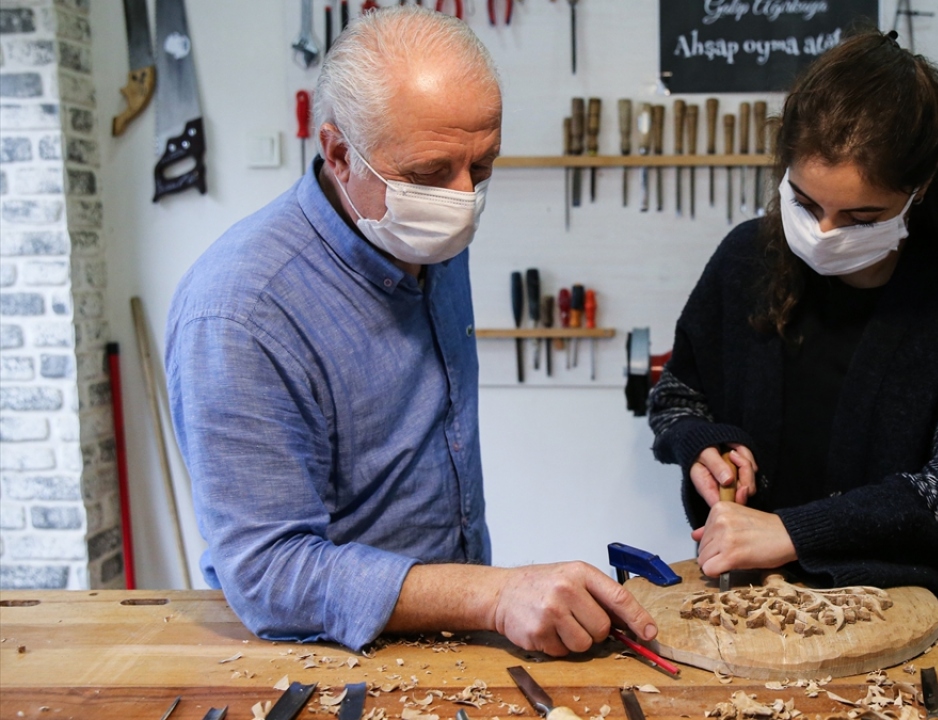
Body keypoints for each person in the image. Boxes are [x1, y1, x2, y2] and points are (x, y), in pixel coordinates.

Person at [166, 7, 655, 654]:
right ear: (340, 154)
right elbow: (268, 575)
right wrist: (493, 594)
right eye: (429, 174)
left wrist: (483, 599)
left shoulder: (422, 236)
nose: (462, 199)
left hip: (452, 635)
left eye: (482, 167)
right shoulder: (240, 314)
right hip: (325, 657)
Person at [648, 30, 938, 595]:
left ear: (921, 188)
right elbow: (677, 398)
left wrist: (796, 532)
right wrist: (704, 443)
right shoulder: (745, 259)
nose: (826, 233)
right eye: (806, 204)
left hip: (899, 599)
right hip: (752, 594)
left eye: (862, 217)